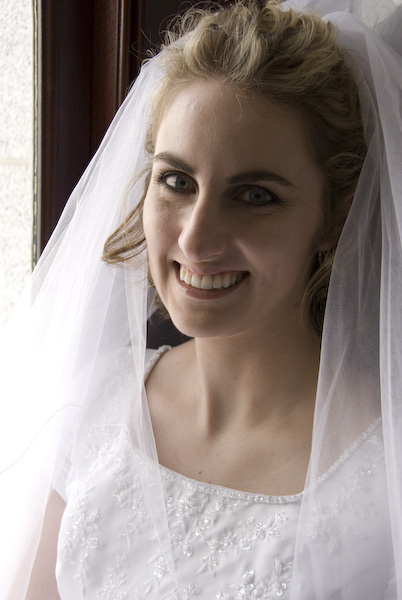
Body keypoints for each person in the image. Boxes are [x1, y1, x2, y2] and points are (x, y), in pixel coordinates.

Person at [1, 0, 402, 598]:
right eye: (177, 181)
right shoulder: (92, 404)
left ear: (333, 219)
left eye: (255, 196)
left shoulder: (388, 469)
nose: (195, 239)